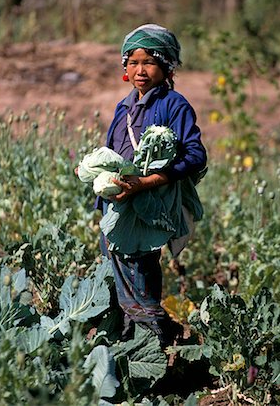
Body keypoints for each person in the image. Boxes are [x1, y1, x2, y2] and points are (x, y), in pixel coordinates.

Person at [98, 24, 207, 348]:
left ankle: (156, 342)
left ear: (166, 67)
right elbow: (113, 152)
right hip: (118, 207)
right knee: (120, 272)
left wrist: (145, 183)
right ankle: (135, 343)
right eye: (132, 62)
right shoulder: (124, 107)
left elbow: (195, 154)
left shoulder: (174, 105)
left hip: (149, 209)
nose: (139, 70)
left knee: (141, 271)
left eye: (149, 62)